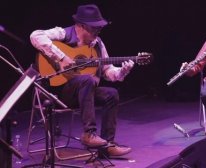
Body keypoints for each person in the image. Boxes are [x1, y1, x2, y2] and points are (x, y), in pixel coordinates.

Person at [30, 4, 134, 156]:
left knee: (111, 93)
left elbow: (108, 71)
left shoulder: (98, 44)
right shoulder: (63, 33)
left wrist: (121, 71)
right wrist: (62, 57)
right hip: (58, 93)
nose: (98, 31)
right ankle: (89, 133)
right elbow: (35, 36)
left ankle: (107, 146)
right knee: (87, 80)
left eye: (99, 27)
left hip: (84, 94)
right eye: (94, 27)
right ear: (80, 25)